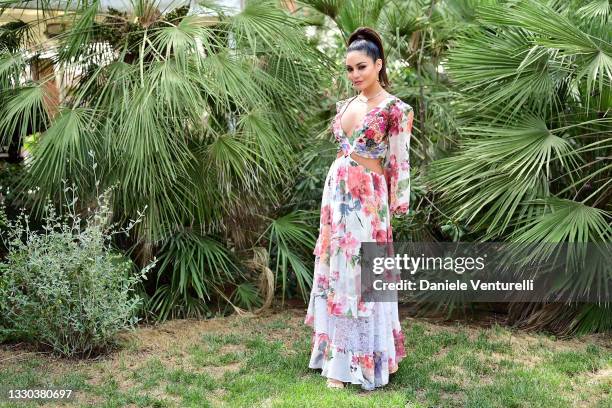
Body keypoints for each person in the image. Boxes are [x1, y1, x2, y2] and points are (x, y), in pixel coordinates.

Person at [303, 26, 413, 391]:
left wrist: (396, 202)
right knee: (337, 271)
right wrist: (332, 199)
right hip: (336, 195)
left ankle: (367, 358)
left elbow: (399, 160)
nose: (354, 75)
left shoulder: (395, 109)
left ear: (379, 64)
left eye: (361, 67)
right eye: (349, 69)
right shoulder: (344, 105)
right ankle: (336, 355)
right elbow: (342, 152)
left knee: (362, 275)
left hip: (367, 197)